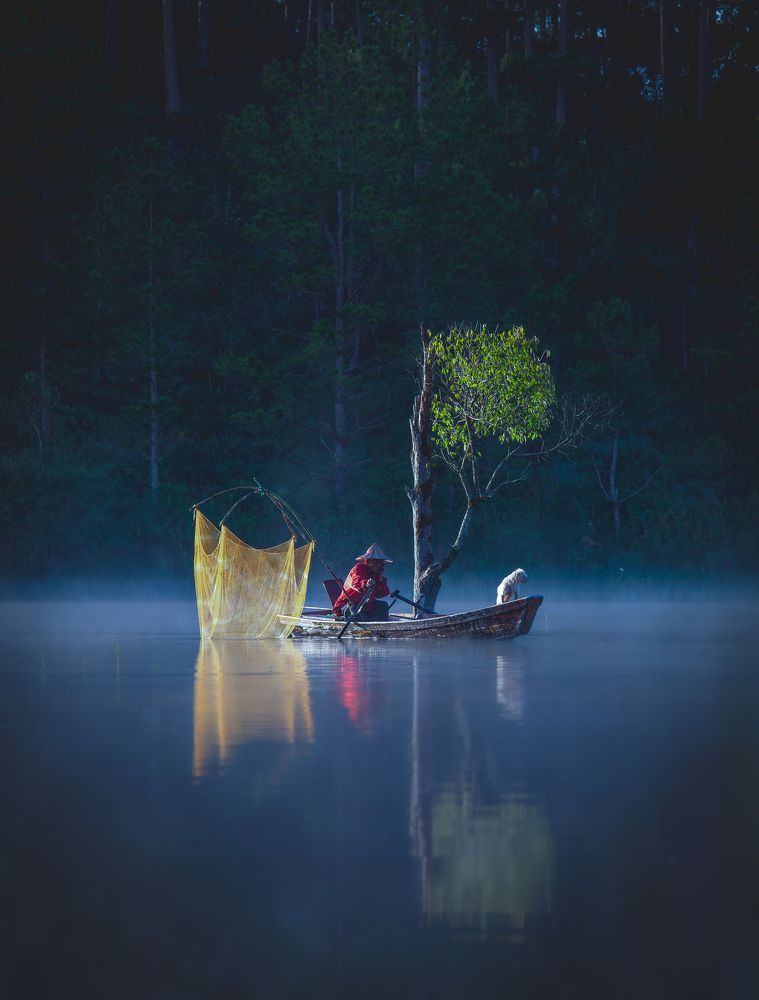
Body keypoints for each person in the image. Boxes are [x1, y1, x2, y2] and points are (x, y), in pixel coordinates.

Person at [333, 544, 392, 621]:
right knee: (358, 614)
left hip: (367, 606)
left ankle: (381, 629)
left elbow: (382, 593)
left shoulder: (377, 575)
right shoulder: (358, 569)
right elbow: (356, 582)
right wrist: (366, 584)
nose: (376, 565)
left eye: (379, 563)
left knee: (383, 606)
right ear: (368, 561)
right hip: (351, 605)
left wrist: (380, 579)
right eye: (374, 562)